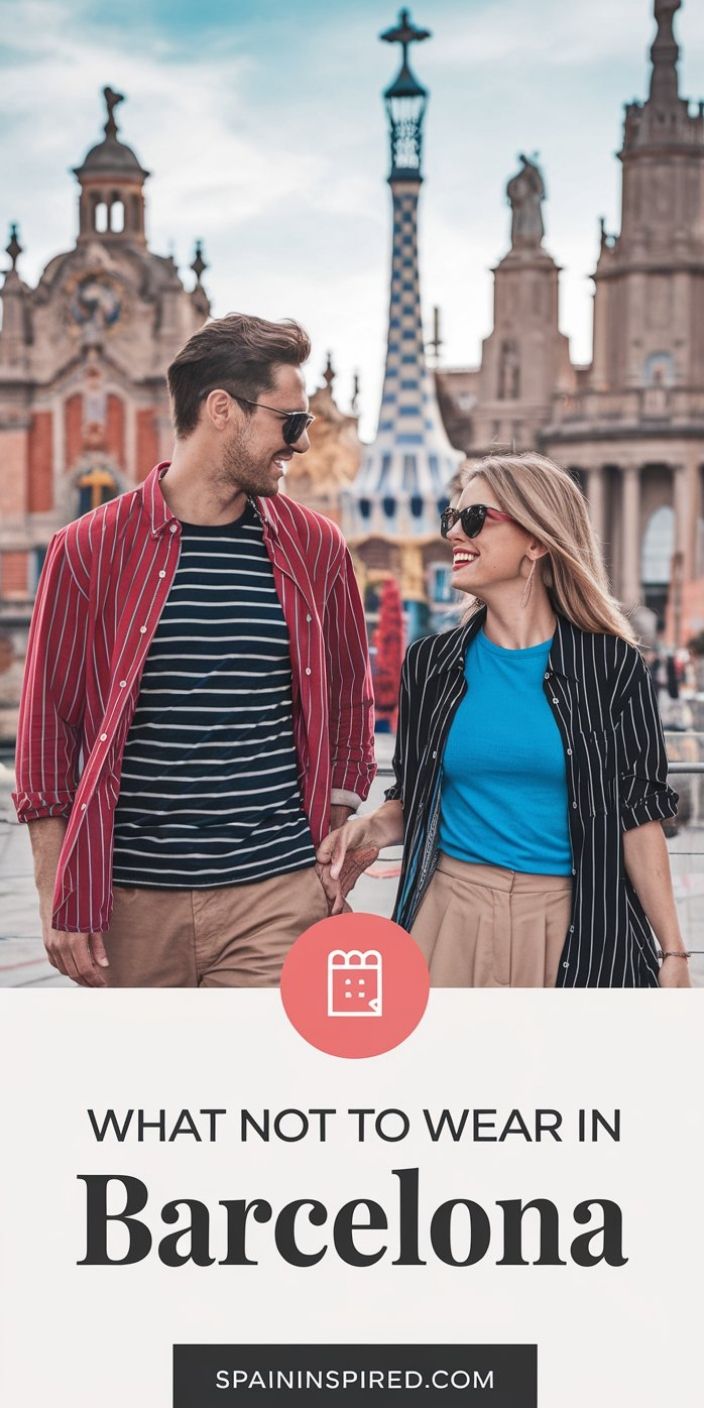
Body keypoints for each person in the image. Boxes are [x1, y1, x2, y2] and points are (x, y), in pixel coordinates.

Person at [13, 313, 375, 988]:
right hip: (131, 905)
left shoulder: (316, 547)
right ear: (221, 410)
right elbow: (47, 732)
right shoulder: (87, 551)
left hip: (276, 896)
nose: (299, 444)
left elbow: (351, 693)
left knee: (262, 1092)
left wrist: (333, 830)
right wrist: (55, 895)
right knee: (152, 1093)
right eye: (289, 423)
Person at [318, 452, 690, 989]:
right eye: (452, 519)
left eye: (474, 520)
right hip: (448, 919)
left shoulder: (612, 666)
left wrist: (674, 953)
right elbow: (416, 797)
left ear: (536, 541)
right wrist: (368, 827)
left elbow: (638, 816)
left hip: (577, 925)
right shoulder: (429, 664)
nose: (454, 535)